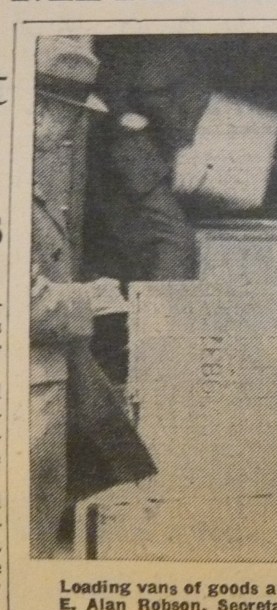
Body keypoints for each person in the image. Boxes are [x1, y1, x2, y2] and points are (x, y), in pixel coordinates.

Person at [30, 36, 130, 558]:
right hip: (26, 391)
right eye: (69, 115)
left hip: (42, 380)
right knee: (28, 539)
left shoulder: (31, 180)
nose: (73, 130)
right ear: (39, 110)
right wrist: (89, 299)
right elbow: (23, 305)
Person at [86, 44, 210, 283]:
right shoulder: (167, 48)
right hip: (132, 158)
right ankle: (160, 317)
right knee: (173, 241)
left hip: (144, 159)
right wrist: (182, 142)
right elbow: (149, 92)